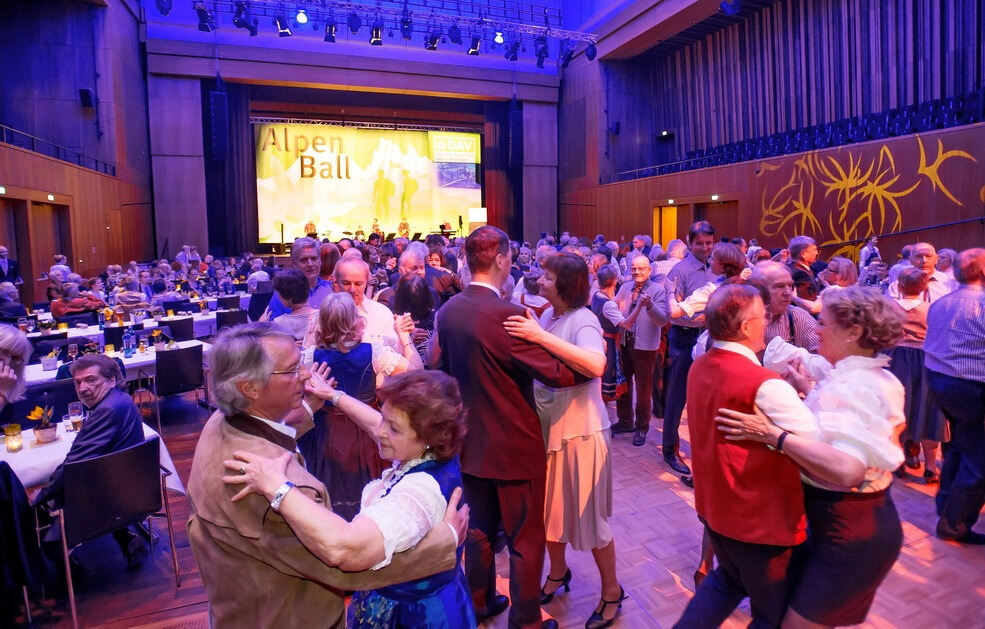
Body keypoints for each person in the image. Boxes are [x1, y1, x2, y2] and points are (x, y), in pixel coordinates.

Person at [186, 323, 462, 628]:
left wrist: (327, 399)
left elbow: (271, 433)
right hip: (285, 615)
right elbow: (343, 561)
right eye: (292, 370)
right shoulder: (265, 484)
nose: (306, 374)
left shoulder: (220, 422)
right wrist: (443, 544)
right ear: (249, 388)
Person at [674, 284, 868, 628]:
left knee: (725, 582)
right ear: (746, 327)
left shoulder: (699, 366)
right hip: (761, 525)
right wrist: (812, 393)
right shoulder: (765, 384)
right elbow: (818, 446)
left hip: (717, 510)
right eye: (764, 318)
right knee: (772, 616)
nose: (768, 323)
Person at [712, 286, 907, 627]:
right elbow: (848, 426)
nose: (817, 329)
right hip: (837, 523)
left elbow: (847, 470)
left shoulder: (856, 385)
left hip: (852, 533)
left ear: (853, 332)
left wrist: (774, 435)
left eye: (825, 323)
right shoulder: (863, 377)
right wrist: (809, 390)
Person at [432, 225, 583, 629]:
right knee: (524, 538)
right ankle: (527, 620)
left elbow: (442, 370)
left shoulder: (448, 311)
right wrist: (580, 355)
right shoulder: (508, 316)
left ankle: (480, 603)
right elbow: (557, 374)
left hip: (471, 443)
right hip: (515, 445)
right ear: (501, 260)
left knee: (479, 530)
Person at [503, 253, 626, 629]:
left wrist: (538, 335)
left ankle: (611, 593)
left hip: (582, 436)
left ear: (566, 285)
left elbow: (595, 365)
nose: (540, 280)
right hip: (553, 434)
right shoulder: (550, 316)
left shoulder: (584, 319)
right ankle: (558, 574)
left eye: (547, 276)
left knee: (591, 524)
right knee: (550, 515)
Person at [299, 292, 421, 520]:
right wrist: (405, 338)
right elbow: (417, 374)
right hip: (365, 429)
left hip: (324, 433)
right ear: (355, 320)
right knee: (369, 494)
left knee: (328, 496)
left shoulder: (308, 357)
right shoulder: (374, 352)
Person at [30, 354, 149, 565]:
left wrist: (42, 495)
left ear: (112, 380)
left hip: (108, 500)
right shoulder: (121, 399)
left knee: (30, 505)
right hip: (132, 487)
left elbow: (75, 464)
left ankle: (71, 573)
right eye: (78, 382)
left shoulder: (107, 410)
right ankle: (127, 538)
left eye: (91, 380)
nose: (83, 388)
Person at [923, 248, 985, 544]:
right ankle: (954, 525)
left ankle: (946, 504)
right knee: (979, 460)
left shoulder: (941, 303)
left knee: (961, 446)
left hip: (941, 384)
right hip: (972, 388)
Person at [663, 221, 717, 475]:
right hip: (684, 340)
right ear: (690, 242)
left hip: (709, 340)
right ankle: (669, 450)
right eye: (700, 243)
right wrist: (706, 316)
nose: (705, 248)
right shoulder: (679, 271)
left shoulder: (716, 269)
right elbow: (672, 315)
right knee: (677, 396)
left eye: (709, 243)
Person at [889, 268, 945, 483]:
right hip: (925, 362)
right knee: (928, 410)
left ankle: (899, 460)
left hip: (895, 361)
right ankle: (931, 467)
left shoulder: (888, 308)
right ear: (925, 287)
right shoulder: (932, 309)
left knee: (898, 410)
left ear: (899, 286)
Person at [611, 252, 669, 447]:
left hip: (645, 347)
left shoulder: (658, 291)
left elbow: (662, 320)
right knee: (624, 384)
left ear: (649, 270)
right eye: (634, 268)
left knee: (644, 389)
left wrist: (650, 305)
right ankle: (625, 421)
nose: (636, 272)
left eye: (641, 268)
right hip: (625, 344)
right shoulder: (625, 287)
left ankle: (642, 428)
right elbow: (615, 309)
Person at [751, 261, 820, 351]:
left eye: (790, 285)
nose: (788, 293)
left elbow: (822, 357)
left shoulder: (799, 317)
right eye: (779, 286)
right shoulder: (742, 319)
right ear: (758, 289)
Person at [262, 237, 334, 320]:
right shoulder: (283, 293)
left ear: (320, 261)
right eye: (304, 260)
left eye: (314, 258)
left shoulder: (332, 289)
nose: (310, 264)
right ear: (294, 264)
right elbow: (273, 329)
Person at [887, 242, 955, 302]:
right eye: (918, 257)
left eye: (928, 256)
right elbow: (891, 313)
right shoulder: (897, 286)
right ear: (910, 260)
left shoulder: (949, 282)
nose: (924, 260)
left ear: (936, 259)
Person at [792, 255, 857, 314]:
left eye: (829, 269)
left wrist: (793, 297)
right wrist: (824, 283)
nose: (825, 270)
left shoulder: (833, 290)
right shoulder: (853, 290)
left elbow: (813, 308)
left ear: (839, 275)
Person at [269, 270, 316, 342]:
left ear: (286, 297)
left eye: (279, 294)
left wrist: (261, 324)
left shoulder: (279, 323)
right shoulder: (323, 317)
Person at [0, 324, 31, 425]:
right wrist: (3, 392)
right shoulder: (5, 388)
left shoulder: (9, 383)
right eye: (3, 351)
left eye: (14, 358)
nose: (7, 361)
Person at [787, 235, 821, 300]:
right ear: (803, 253)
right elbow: (807, 301)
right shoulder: (801, 274)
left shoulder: (791, 267)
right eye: (814, 250)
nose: (816, 253)